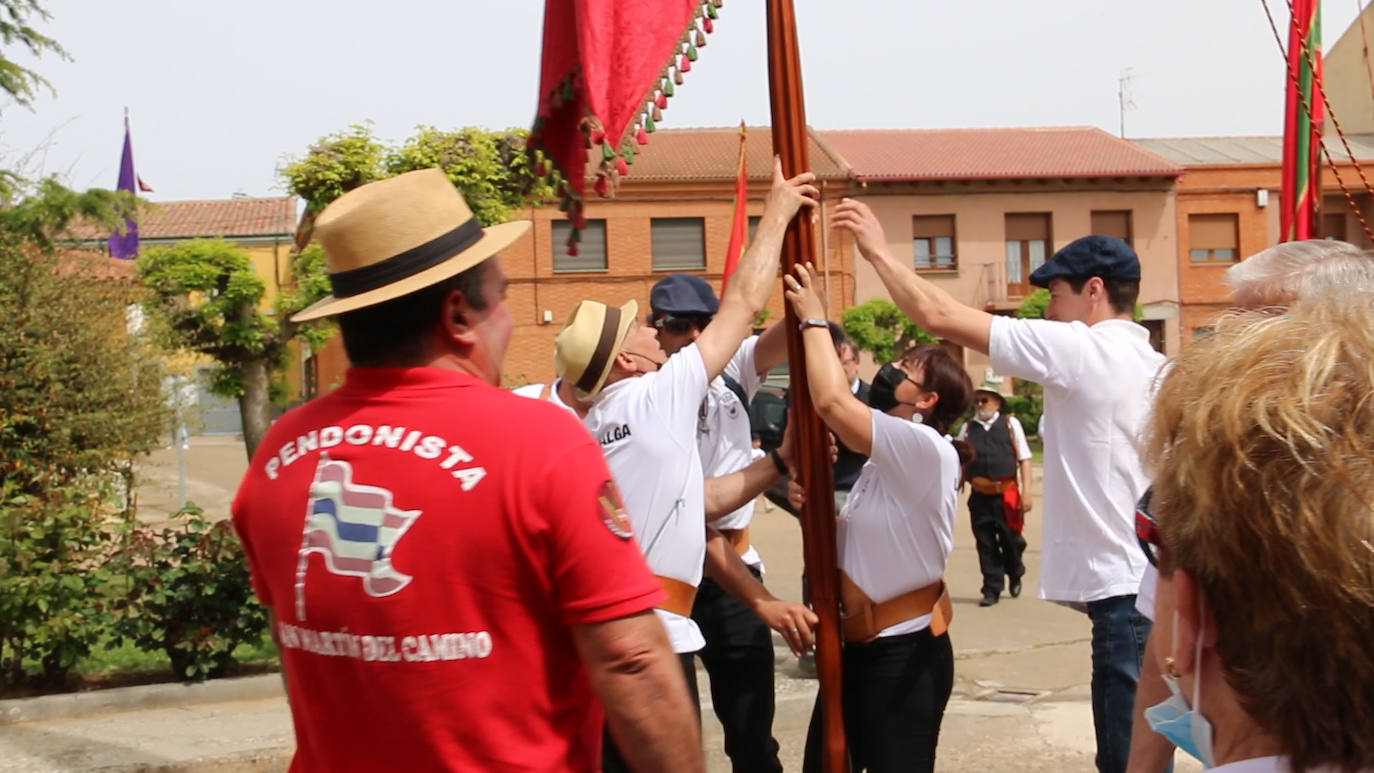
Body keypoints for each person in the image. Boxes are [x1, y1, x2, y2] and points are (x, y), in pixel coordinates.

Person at [231, 169, 702, 772]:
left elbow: (298, 646)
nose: (509, 319)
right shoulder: (538, 443)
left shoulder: (280, 452)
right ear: (458, 316)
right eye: (502, 297)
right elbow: (630, 658)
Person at [833, 198, 1163, 773]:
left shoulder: (1084, 348)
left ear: (1093, 291)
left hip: (1124, 591)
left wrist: (876, 252)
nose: (1049, 311)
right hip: (1153, 588)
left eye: (1055, 296)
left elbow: (939, 314)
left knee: (1127, 758)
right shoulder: (1157, 366)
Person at [553, 158, 820, 773]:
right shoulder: (654, 396)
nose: (650, 331)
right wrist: (776, 210)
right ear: (624, 362)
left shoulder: (595, 425)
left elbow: (696, 499)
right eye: (639, 329)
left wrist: (777, 462)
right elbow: (745, 303)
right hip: (653, 628)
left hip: (629, 621)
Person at [1127, 238, 1374, 773]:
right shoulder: (1209, 459)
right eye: (1228, 328)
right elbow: (1164, 632)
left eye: (1262, 325)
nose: (1229, 351)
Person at [785, 263, 974, 773]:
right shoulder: (883, 461)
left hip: (904, 656)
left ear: (928, 400)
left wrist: (814, 322)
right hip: (857, 650)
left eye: (905, 370)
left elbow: (831, 401)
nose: (889, 372)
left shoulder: (925, 447)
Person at [647, 272, 790, 773]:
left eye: (702, 325)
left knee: (753, 741)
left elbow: (788, 329)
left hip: (734, 574)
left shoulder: (734, 371)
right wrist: (779, 466)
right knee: (671, 748)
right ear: (656, 331)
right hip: (668, 584)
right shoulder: (643, 398)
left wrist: (796, 283)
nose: (690, 337)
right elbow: (689, 507)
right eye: (677, 325)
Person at [956, 379, 1033, 606]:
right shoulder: (968, 428)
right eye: (977, 400)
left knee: (1012, 540)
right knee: (985, 543)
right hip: (979, 495)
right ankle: (992, 588)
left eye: (985, 400)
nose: (980, 405)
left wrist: (1027, 491)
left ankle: (1015, 570)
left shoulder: (1010, 425)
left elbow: (1025, 459)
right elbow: (957, 458)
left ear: (997, 403)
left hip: (1006, 494)